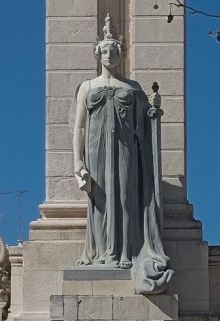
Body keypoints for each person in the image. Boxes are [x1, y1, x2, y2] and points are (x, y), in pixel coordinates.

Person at [72, 14, 172, 294]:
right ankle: (101, 253)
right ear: (98, 54)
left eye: (113, 50)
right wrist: (77, 161)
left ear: (121, 54)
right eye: (104, 51)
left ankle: (126, 252)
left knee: (126, 198)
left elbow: (146, 125)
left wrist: (155, 111)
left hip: (125, 149)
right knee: (100, 201)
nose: (109, 55)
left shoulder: (132, 88)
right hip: (95, 150)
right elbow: (78, 127)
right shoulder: (87, 88)